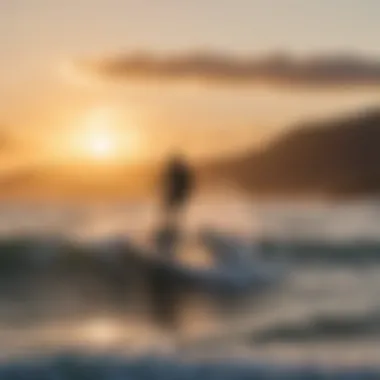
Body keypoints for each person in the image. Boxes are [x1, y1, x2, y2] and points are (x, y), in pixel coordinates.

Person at [156, 154, 194, 252]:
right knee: (169, 213)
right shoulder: (174, 172)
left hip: (176, 195)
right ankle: (168, 230)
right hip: (172, 195)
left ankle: (172, 230)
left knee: (174, 214)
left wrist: (184, 194)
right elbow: (165, 183)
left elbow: (186, 184)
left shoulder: (180, 172)